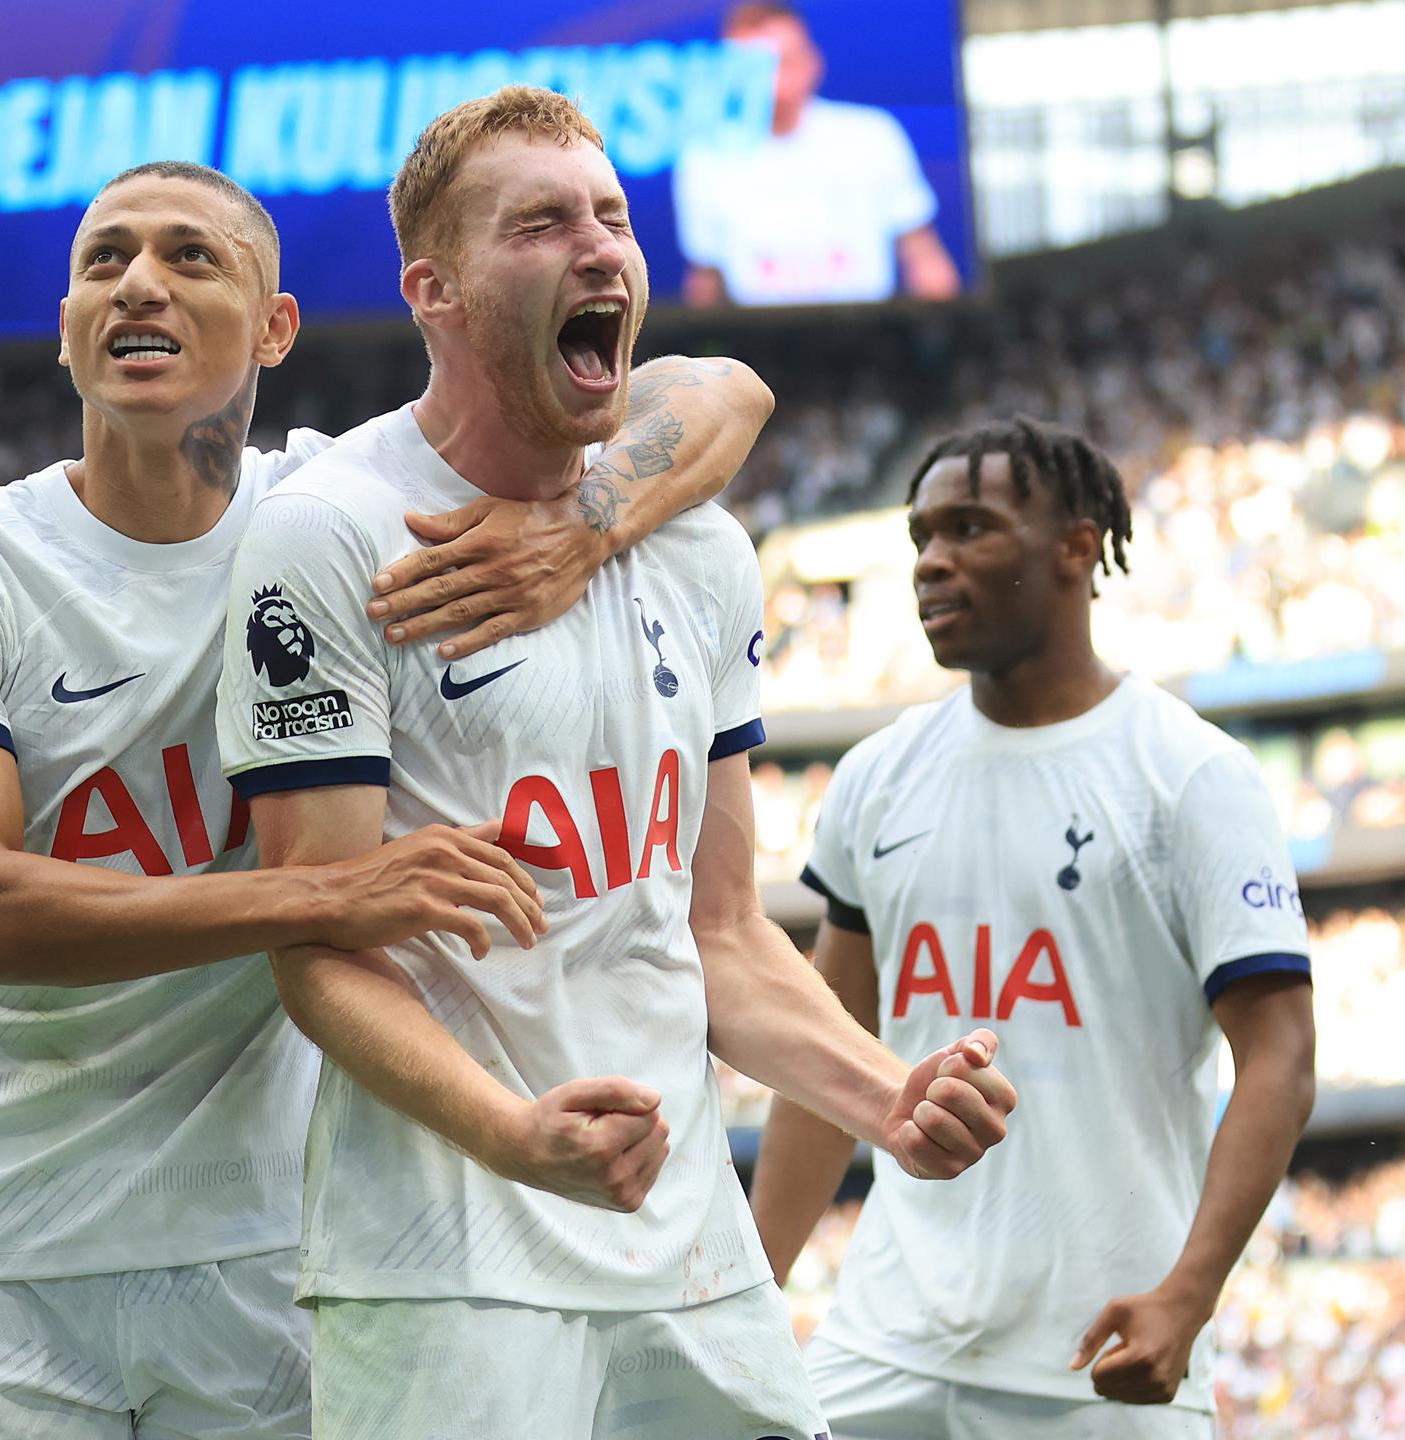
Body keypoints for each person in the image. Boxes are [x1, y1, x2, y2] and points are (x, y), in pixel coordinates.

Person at [0, 159, 776, 1438]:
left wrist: (589, 524)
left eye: (191, 258)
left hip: (270, 1247)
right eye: (102, 261)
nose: (138, 284)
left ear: (276, 329)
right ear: (68, 332)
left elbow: (722, 390)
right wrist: (327, 889)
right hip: (2, 1241)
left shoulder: (325, 515)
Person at [215, 86, 1017, 1440]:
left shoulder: (696, 549)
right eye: (541, 225)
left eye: (615, 219)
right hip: (448, 1260)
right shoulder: (331, 536)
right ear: (440, 290)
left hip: (690, 1248)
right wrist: (514, 1138)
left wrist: (891, 1094)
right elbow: (323, 944)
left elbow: (719, 932)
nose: (601, 250)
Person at [749, 416, 1318, 1440]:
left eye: (970, 528)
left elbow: (1279, 1056)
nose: (931, 563)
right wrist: (751, 1299)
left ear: (1077, 545)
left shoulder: (1189, 776)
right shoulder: (879, 776)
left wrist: (1187, 1296)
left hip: (1097, 1364)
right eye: (921, 535)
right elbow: (823, 1057)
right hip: (882, 1346)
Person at [674, 1, 962, 306]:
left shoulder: (873, 135)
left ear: (812, 62)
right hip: (759, 343)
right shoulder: (704, 158)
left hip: (870, 335)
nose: (772, 82)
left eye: (783, 63)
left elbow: (923, 256)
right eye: (754, 68)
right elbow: (705, 280)